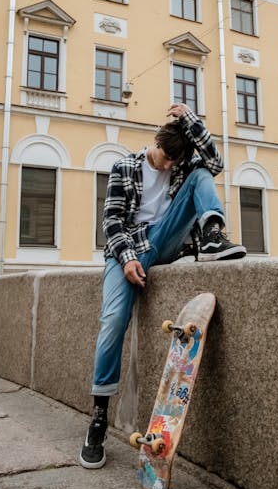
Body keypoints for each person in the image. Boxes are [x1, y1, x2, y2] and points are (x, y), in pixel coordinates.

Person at [79, 103, 246, 468]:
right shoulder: (125, 166)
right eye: (166, 158)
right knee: (112, 324)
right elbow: (111, 224)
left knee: (202, 173)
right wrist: (126, 260)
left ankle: (213, 236)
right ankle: (98, 418)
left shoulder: (183, 164)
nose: (169, 166)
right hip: (125, 253)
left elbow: (214, 163)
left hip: (163, 243)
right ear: (156, 143)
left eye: (175, 161)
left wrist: (190, 120)